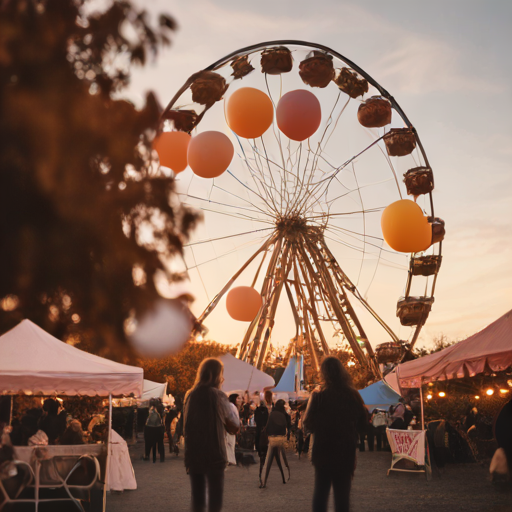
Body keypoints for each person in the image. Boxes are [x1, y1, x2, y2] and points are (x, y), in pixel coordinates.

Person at [303, 357, 367, 512]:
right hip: (345, 451)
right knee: (342, 496)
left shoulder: (319, 397)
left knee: (320, 493)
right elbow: (363, 423)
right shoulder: (353, 395)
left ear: (324, 374)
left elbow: (308, 424)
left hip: (323, 450)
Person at [183, 358, 240, 512]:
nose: (223, 378)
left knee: (198, 501)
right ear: (215, 375)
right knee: (215, 502)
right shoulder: (218, 396)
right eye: (221, 374)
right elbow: (234, 426)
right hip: (215, 456)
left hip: (194, 456)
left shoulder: (190, 395)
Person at [259, 399, 291, 488]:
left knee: (267, 461)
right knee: (281, 460)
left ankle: (263, 481)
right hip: (280, 439)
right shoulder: (284, 415)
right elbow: (287, 426)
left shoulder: (272, 414)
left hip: (272, 439)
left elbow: (267, 426)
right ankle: (285, 477)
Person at [226, 394, 242, 465]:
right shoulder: (232, 406)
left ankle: (230, 460)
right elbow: (234, 418)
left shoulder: (230, 406)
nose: (239, 400)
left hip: (230, 427)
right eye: (238, 398)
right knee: (230, 443)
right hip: (231, 427)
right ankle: (231, 460)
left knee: (229, 443)